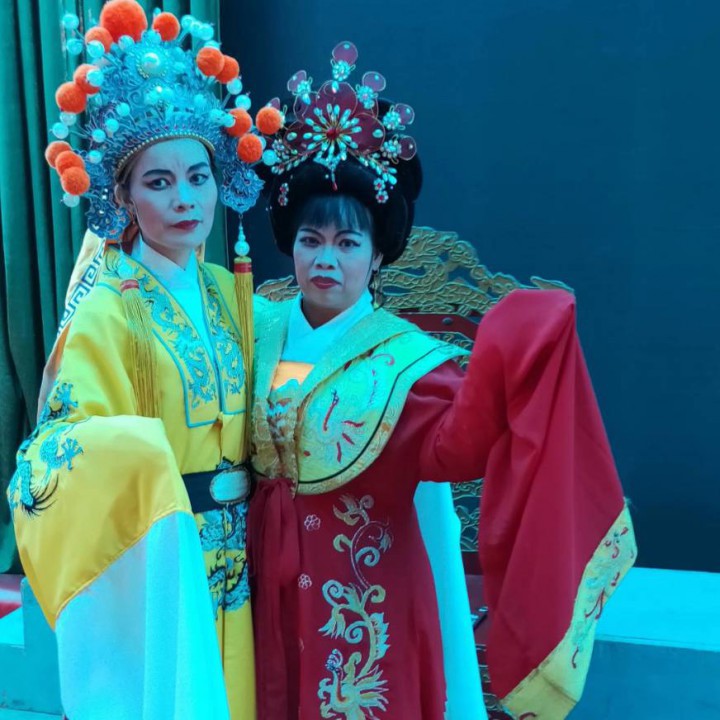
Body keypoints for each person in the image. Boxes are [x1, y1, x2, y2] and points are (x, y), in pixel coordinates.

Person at [247, 43, 637, 720]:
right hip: (259, 586)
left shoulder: (409, 364)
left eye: (347, 244)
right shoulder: (256, 326)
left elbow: (454, 448)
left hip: (363, 601)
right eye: (311, 240)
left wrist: (519, 341)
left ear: (378, 256)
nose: (326, 260)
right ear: (291, 244)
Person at [6, 2, 281, 718]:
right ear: (122, 195)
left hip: (247, 563)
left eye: (198, 176)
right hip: (165, 565)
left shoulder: (232, 294)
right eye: (158, 183)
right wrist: (141, 452)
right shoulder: (107, 310)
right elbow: (62, 447)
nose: (186, 199)